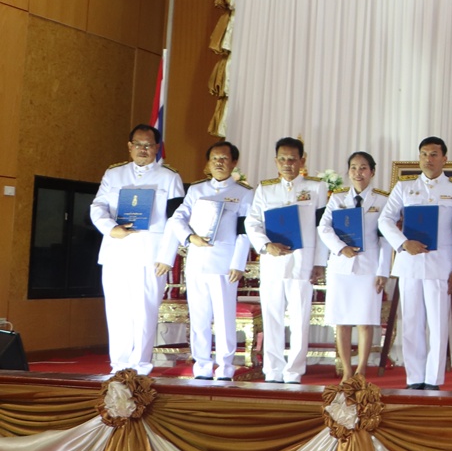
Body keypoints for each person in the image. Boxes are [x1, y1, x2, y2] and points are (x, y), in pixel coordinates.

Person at [90, 124, 185, 375]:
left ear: (157, 148)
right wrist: (111, 228)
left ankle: (140, 367)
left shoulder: (169, 177)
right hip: (117, 252)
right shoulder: (114, 174)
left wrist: (167, 256)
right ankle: (119, 366)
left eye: (148, 145)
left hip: (150, 256)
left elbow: (177, 220)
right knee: (117, 311)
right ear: (129, 146)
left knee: (144, 312)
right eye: (138, 145)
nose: (143, 149)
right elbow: (97, 207)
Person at [379, 136, 452, 390]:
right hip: (410, 263)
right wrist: (403, 243)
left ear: (444, 159)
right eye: (424, 154)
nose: (429, 159)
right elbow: (385, 220)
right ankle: (414, 377)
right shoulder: (404, 187)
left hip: (440, 265)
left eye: (434, 154)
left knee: (438, 325)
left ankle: (433, 379)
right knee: (411, 322)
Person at [165, 141, 253, 381]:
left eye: (224, 159)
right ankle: (202, 366)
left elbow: (244, 232)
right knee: (199, 317)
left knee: (224, 318)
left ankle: (225, 367)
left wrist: (238, 263)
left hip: (224, 263)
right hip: (197, 261)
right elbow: (177, 218)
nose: (219, 163)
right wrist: (189, 237)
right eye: (214, 159)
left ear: (234, 162)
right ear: (208, 163)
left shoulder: (244, 193)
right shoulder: (196, 190)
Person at [244, 137, 329, 384]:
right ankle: (273, 369)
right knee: (272, 317)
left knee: (300, 319)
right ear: (276, 161)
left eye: (292, 159)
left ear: (302, 160)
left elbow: (322, 227)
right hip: (273, 261)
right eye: (282, 159)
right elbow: (252, 222)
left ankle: (294, 371)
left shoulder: (316, 188)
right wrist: (265, 245)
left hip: (303, 262)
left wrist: (320, 262)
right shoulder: (265, 189)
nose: (287, 164)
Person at [316, 151, 392, 381]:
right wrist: (341, 248)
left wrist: (383, 271)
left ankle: (361, 370)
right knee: (342, 321)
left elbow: (385, 239)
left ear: (372, 172)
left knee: (365, 321)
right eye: (353, 168)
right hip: (341, 268)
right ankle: (347, 370)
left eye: (363, 168)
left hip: (369, 268)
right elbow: (324, 228)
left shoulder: (382, 200)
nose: (358, 173)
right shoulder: (337, 198)